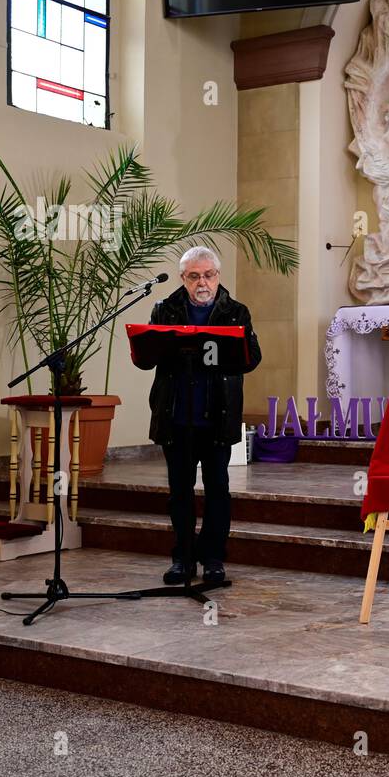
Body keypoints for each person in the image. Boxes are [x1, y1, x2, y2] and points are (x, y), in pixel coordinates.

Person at [135, 246, 261, 584]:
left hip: (217, 416)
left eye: (208, 275)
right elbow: (146, 360)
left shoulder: (236, 312)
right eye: (194, 276)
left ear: (218, 276)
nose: (201, 282)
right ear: (183, 278)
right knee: (180, 492)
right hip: (177, 416)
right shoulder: (165, 310)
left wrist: (231, 346)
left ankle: (214, 559)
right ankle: (183, 559)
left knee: (218, 490)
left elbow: (251, 359)